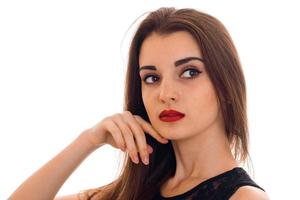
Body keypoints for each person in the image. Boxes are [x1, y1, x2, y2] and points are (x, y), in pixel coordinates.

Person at [9, 7, 270, 200]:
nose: (166, 93)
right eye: (152, 78)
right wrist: (89, 140)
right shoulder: (129, 190)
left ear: (226, 84)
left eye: (190, 72)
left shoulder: (244, 197)